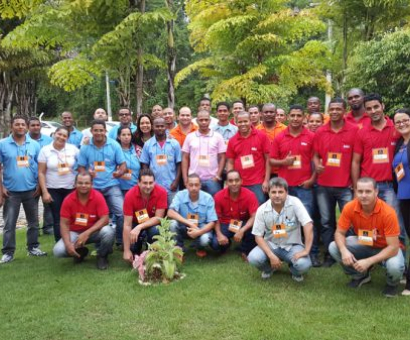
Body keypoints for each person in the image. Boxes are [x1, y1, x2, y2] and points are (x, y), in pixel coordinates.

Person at [329, 177, 405, 297]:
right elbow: (339, 233)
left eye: (368, 191)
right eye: (360, 191)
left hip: (386, 247)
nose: (363, 195)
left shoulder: (388, 213)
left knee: (395, 267)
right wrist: (344, 251)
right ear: (356, 192)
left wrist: (368, 261)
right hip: (366, 242)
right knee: (334, 247)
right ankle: (360, 276)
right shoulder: (349, 207)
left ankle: (392, 284)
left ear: (376, 192)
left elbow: (393, 247)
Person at [270, 105, 319, 266]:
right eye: (293, 115)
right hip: (285, 189)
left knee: (307, 221)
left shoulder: (311, 136)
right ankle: (284, 250)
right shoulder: (280, 137)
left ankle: (312, 252)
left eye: (299, 115)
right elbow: (271, 160)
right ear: (288, 117)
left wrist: (312, 180)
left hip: (304, 186)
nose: (296, 118)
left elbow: (316, 161)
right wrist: (284, 162)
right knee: (284, 221)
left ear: (303, 117)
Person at [313, 98, 358, 267]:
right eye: (331, 109)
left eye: (338, 109)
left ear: (344, 110)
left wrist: (355, 185)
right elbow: (316, 154)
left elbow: (356, 159)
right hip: (324, 185)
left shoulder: (354, 131)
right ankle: (331, 254)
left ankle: (351, 251)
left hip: (346, 186)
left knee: (352, 221)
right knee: (326, 221)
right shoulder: (321, 131)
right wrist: (317, 163)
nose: (334, 112)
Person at [352, 93, 402, 232]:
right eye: (369, 108)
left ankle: (398, 252)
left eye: (376, 107)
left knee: (394, 223)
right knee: (367, 224)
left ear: (383, 106)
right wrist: (357, 188)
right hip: (368, 187)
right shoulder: (361, 133)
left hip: (390, 186)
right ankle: (370, 252)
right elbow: (355, 162)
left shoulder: (396, 128)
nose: (373, 111)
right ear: (366, 111)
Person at [247, 177, 313, 282]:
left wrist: (306, 250)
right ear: (268, 193)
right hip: (271, 244)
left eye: (280, 192)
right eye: (273, 192)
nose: (277, 195)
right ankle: (269, 269)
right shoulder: (262, 209)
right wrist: (270, 255)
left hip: (292, 245)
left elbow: (308, 225)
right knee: (254, 258)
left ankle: (294, 271)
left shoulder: (295, 202)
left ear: (286, 192)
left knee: (303, 264)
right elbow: (258, 236)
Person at [0, 115, 46, 263]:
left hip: (31, 190)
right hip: (11, 191)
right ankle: (8, 252)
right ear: (11, 127)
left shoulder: (34, 144)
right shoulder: (3, 144)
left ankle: (33, 248)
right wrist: (1, 187)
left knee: (33, 222)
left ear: (26, 127)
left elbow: (40, 167)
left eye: (22, 125)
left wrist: (39, 185)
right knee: (9, 224)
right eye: (17, 124)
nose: (20, 127)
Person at [77, 120, 126, 247]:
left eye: (101, 130)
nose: (98, 133)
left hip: (111, 185)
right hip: (93, 187)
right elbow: (81, 167)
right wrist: (87, 174)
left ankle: (120, 240)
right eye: (96, 130)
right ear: (92, 131)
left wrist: (119, 173)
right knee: (95, 216)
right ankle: (97, 241)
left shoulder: (114, 145)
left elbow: (123, 165)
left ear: (105, 131)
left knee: (121, 212)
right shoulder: (85, 146)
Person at [53, 172, 114, 270]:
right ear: (75, 184)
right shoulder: (68, 200)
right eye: (80, 183)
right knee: (58, 251)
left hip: (94, 232)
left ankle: (102, 256)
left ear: (92, 184)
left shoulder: (98, 197)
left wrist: (87, 233)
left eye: (86, 183)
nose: (83, 186)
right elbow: (64, 224)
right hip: (75, 233)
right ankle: (80, 252)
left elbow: (105, 219)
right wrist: (68, 244)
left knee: (109, 231)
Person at [38, 126, 79, 241]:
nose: (61, 137)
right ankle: (60, 243)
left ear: (67, 138)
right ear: (54, 134)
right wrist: (44, 192)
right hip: (53, 189)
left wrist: (78, 182)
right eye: (59, 134)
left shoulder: (73, 149)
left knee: (72, 216)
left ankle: (74, 241)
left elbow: (82, 165)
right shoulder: (45, 150)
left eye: (64, 135)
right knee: (58, 217)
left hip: (71, 188)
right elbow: (41, 173)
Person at [122, 169, 167, 263]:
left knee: (156, 230)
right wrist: (126, 250)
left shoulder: (162, 192)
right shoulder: (129, 195)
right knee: (132, 249)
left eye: (151, 183)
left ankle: (152, 252)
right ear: (138, 182)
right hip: (134, 223)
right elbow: (127, 224)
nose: (148, 186)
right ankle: (136, 249)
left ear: (154, 182)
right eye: (145, 183)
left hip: (151, 223)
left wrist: (140, 227)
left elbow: (159, 218)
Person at [167, 173, 217, 257]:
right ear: (186, 185)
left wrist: (198, 232)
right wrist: (189, 223)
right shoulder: (180, 195)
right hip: (184, 226)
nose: (194, 188)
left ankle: (200, 247)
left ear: (200, 185)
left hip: (200, 227)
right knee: (172, 223)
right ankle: (179, 248)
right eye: (191, 185)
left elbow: (212, 222)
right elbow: (170, 212)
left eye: (196, 185)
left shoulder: (208, 198)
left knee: (205, 239)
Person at [226, 111, 270, 205]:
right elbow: (230, 162)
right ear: (236, 123)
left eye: (245, 121)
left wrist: (266, 180)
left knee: (259, 206)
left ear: (250, 121)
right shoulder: (232, 141)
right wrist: (229, 181)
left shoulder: (261, 136)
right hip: (239, 183)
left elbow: (268, 159)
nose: (243, 124)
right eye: (240, 122)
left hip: (257, 182)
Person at [212, 170, 258, 258]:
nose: (234, 183)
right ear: (226, 183)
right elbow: (215, 218)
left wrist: (242, 230)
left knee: (255, 230)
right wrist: (219, 234)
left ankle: (244, 249)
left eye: (237, 180)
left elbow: (254, 216)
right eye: (230, 181)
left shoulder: (250, 195)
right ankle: (226, 244)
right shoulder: (218, 196)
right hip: (225, 224)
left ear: (241, 181)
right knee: (215, 244)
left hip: (243, 223)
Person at [182, 110, 226, 196]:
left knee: (213, 205)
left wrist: (217, 176)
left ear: (210, 121)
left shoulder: (217, 136)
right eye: (201, 120)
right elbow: (185, 158)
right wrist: (185, 178)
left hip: (212, 179)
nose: (203, 122)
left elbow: (222, 157)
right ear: (197, 121)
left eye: (206, 120)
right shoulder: (190, 137)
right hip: (193, 179)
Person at [140, 118, 181, 205]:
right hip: (154, 186)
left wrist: (176, 181)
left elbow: (179, 164)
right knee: (157, 213)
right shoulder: (147, 144)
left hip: (171, 185)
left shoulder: (174, 144)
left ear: (166, 127)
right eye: (157, 126)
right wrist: (148, 182)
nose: (159, 128)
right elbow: (144, 165)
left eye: (162, 126)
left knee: (173, 212)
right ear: (153, 127)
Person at [393, 108, 410, 295]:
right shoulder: (400, 143)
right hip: (404, 196)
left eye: (405, 120)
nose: (402, 124)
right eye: (398, 122)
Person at [28, 116, 54, 235]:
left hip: (46, 178)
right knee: (32, 206)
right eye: (33, 125)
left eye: (38, 125)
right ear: (28, 127)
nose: (36, 127)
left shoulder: (48, 140)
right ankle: (34, 229)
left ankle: (48, 228)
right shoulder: (24, 140)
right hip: (30, 180)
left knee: (48, 204)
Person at [117, 126, 140, 195]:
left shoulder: (138, 150)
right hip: (119, 190)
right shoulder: (114, 150)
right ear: (119, 137)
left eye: (129, 134)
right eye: (123, 135)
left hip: (136, 188)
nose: (126, 137)